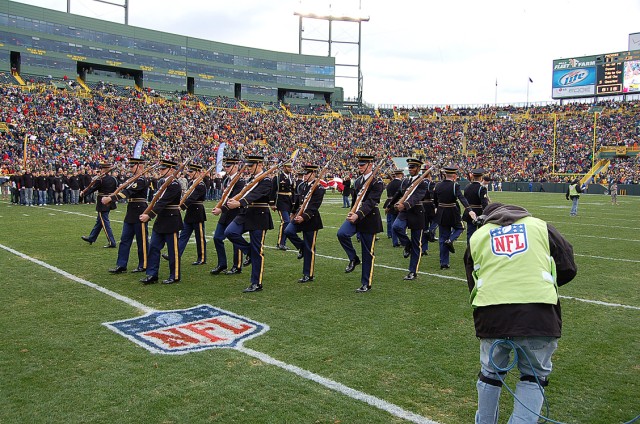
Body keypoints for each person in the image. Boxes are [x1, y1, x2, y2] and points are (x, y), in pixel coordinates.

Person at [463, 202, 577, 424]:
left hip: (492, 314)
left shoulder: (478, 236)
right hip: (539, 314)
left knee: (490, 375)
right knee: (534, 377)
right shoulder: (541, 227)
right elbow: (568, 267)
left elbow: (473, 282)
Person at [224, 155, 274, 293]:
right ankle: (249, 253)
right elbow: (243, 193)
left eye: (251, 166)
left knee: (257, 250)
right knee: (230, 232)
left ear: (259, 164)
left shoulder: (267, 180)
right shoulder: (251, 179)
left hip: (259, 216)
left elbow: (256, 194)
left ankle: (256, 283)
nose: (249, 168)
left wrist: (240, 203)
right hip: (245, 214)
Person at [336, 154, 384, 293]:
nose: (359, 167)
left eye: (362, 165)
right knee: (342, 234)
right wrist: (352, 212)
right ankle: (353, 258)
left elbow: (371, 202)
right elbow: (355, 199)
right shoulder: (357, 181)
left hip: (368, 218)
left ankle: (366, 283)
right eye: (359, 165)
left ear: (370, 165)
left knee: (367, 252)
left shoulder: (377, 182)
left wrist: (358, 214)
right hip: (355, 216)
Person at [139, 159, 184, 285]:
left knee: (172, 250)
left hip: (171, 219)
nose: (160, 171)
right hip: (161, 219)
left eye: (163, 169)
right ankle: (152, 274)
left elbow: (163, 202)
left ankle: (174, 275)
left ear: (170, 170)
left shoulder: (174, 184)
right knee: (153, 246)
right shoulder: (162, 182)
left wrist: (149, 215)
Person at [105, 158, 150, 274]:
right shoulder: (132, 179)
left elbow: (127, 192)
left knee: (142, 240)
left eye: (132, 166)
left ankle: (144, 264)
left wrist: (111, 198)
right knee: (125, 239)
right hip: (131, 211)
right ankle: (121, 264)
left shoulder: (141, 180)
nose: (130, 168)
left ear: (139, 166)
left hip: (140, 210)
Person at [284, 164, 326, 283]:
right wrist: (293, 213)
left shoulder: (319, 188)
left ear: (313, 174)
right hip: (298, 216)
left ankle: (308, 274)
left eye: (307, 174)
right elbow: (298, 201)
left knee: (310, 247)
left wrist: (304, 217)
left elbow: (314, 206)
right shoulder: (302, 186)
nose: (304, 176)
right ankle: (301, 248)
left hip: (310, 220)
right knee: (288, 231)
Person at [391, 159, 428, 281]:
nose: (411, 170)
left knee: (417, 243)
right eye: (410, 168)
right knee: (396, 227)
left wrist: (405, 205)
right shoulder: (406, 181)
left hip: (417, 212)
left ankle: (413, 271)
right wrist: (391, 205)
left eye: (413, 168)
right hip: (405, 212)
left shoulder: (423, 182)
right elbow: (400, 193)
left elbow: (418, 196)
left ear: (418, 168)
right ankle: (407, 245)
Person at [433, 165, 476, 269]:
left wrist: (435, 207)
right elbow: (461, 198)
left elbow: (434, 198)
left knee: (442, 237)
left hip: (441, 212)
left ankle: (444, 263)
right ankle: (451, 240)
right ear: (454, 175)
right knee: (460, 228)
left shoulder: (438, 185)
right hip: (452, 212)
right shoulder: (454, 186)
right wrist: (469, 210)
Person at [211, 157, 246, 275]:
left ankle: (238, 265)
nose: (226, 168)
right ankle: (222, 263)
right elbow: (224, 196)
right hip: (225, 214)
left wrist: (221, 209)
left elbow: (234, 198)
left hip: (235, 213)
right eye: (225, 166)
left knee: (235, 240)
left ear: (235, 167)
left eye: (228, 166)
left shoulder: (240, 181)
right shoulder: (227, 179)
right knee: (217, 237)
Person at [176, 164, 207, 265]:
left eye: (191, 172)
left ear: (198, 172)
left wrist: (182, 206)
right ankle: (176, 254)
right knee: (183, 235)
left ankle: (201, 258)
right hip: (190, 212)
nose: (189, 174)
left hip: (197, 212)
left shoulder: (200, 184)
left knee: (200, 237)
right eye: (189, 172)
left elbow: (193, 197)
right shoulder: (191, 183)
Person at [81, 163, 118, 248]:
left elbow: (92, 189)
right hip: (110, 201)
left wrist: (83, 194)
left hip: (102, 202)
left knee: (105, 222)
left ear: (103, 170)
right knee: (99, 221)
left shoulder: (100, 180)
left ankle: (112, 242)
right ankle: (92, 237)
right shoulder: (114, 179)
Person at [270, 161, 294, 250]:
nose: (290, 169)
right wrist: (272, 203)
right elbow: (272, 190)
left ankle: (283, 242)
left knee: (288, 222)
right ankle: (280, 243)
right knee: (285, 221)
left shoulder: (291, 177)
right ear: (284, 167)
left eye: (291, 167)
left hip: (289, 202)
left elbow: (293, 191)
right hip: (281, 202)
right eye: (289, 167)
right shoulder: (278, 177)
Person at [463, 168, 490, 242]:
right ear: (481, 177)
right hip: (479, 212)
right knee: (481, 233)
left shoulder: (467, 187)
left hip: (469, 211)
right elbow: (484, 203)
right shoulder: (482, 188)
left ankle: (469, 251)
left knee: (470, 233)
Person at [383, 170, 404, 247]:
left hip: (390, 204)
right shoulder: (401, 183)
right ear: (401, 175)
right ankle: (401, 240)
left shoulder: (390, 183)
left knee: (392, 223)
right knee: (401, 224)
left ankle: (394, 241)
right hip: (399, 203)